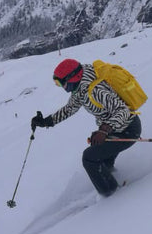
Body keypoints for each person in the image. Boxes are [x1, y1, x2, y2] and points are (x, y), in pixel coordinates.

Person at [31, 57, 141, 196]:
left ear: (72, 77)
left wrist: (104, 130)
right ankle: (116, 181)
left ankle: (112, 196)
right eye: (57, 83)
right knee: (101, 162)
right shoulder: (80, 88)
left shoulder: (95, 90)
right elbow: (70, 108)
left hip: (127, 129)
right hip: (113, 130)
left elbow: (123, 111)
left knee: (89, 158)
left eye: (60, 83)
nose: (61, 87)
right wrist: (46, 122)